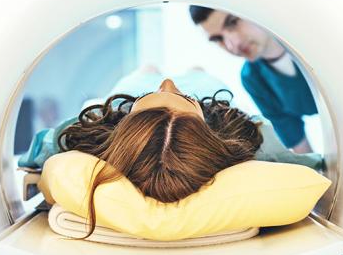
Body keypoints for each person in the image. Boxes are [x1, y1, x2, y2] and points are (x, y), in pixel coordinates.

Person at [19, 75, 323, 237]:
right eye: (180, 96)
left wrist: (140, 102)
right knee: (200, 74)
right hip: (211, 102)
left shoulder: (85, 132)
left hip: (134, 100)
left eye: (179, 94)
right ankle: (191, 88)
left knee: (147, 73)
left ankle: (144, 91)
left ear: (122, 128)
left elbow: (35, 155)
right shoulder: (251, 139)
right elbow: (308, 166)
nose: (169, 81)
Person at [189, 5, 318, 153]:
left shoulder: (312, 37)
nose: (233, 44)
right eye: (219, 39)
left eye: (232, 22)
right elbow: (297, 141)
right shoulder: (252, 78)